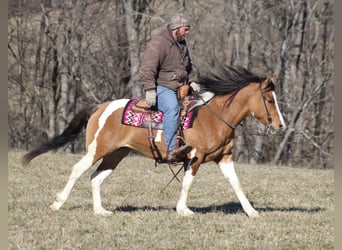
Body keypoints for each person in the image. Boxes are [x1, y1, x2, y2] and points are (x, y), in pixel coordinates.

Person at [139, 12, 200, 161]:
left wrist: (192, 80)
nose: (188, 32)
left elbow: (188, 66)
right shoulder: (159, 43)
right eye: (186, 29)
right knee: (172, 108)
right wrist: (150, 89)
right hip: (161, 87)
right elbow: (147, 68)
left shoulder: (182, 44)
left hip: (180, 87)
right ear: (176, 28)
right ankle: (172, 150)